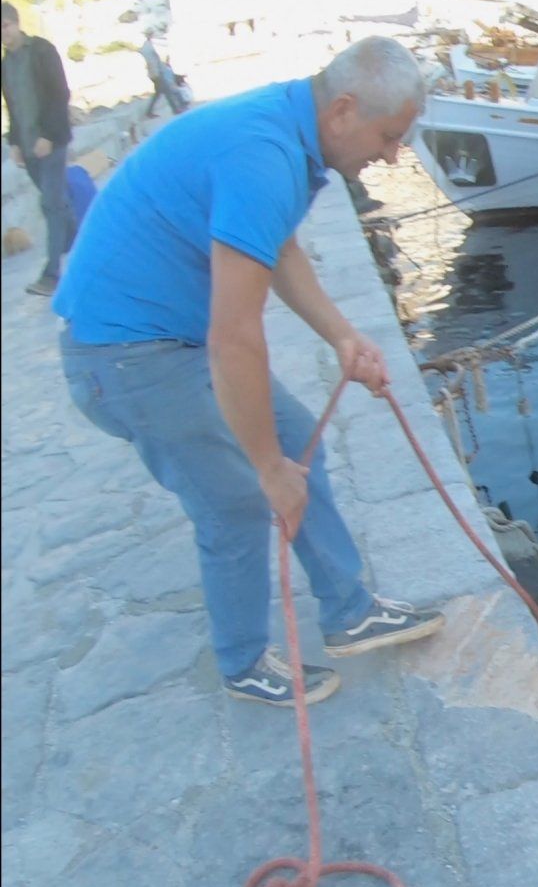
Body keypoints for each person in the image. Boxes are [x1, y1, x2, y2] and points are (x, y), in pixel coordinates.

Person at [52, 36, 444, 707]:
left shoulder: (287, 131)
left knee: (297, 450)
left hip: (162, 341)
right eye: (388, 136)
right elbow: (234, 335)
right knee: (238, 500)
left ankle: (349, 611)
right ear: (345, 109)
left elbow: (281, 246)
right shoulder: (263, 155)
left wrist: (344, 337)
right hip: (124, 357)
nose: (390, 155)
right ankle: (242, 663)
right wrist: (264, 468)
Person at [2, 0, 76, 296]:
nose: (3, 34)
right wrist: (15, 143)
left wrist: (49, 134)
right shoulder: (6, 65)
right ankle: (82, 242)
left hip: (53, 142)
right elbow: (13, 108)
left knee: (50, 204)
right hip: (29, 148)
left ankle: (52, 273)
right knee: (57, 203)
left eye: (5, 27)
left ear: (16, 23)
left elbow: (61, 94)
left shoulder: (43, 51)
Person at [138, 30, 188, 117]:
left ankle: (149, 112)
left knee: (158, 94)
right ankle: (177, 109)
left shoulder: (148, 46)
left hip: (155, 73)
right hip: (156, 73)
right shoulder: (148, 48)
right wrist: (157, 74)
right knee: (168, 91)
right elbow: (152, 63)